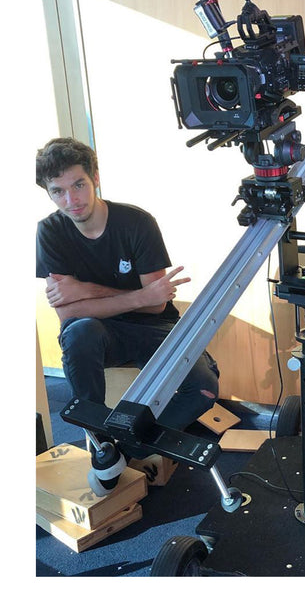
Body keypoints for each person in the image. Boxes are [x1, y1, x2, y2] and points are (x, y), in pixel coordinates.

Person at [36, 137, 220, 458]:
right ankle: (99, 442)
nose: (71, 200)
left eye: (78, 185)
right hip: (98, 335)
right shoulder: (50, 231)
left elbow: (156, 304)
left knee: (203, 389)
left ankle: (125, 448)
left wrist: (85, 291)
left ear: (95, 178)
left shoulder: (137, 223)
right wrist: (139, 296)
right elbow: (68, 314)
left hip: (153, 327)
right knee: (80, 332)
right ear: (49, 193)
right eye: (58, 191)